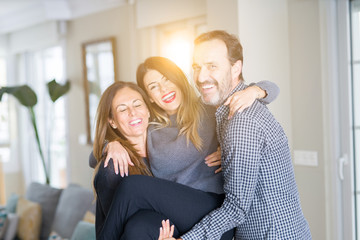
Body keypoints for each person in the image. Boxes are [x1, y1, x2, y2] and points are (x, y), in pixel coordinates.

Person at [93, 56, 280, 240]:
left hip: (213, 210)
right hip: (175, 213)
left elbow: (272, 88)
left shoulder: (208, 109)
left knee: (132, 187)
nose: (163, 89)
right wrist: (111, 145)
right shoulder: (152, 125)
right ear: (148, 98)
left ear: (178, 78)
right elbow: (94, 159)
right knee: (138, 227)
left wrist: (255, 91)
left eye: (166, 79)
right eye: (153, 87)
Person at [163, 30, 312, 240]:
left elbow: (235, 209)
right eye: (197, 67)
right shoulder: (241, 102)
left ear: (236, 68)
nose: (200, 77)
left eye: (212, 66)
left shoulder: (240, 124)